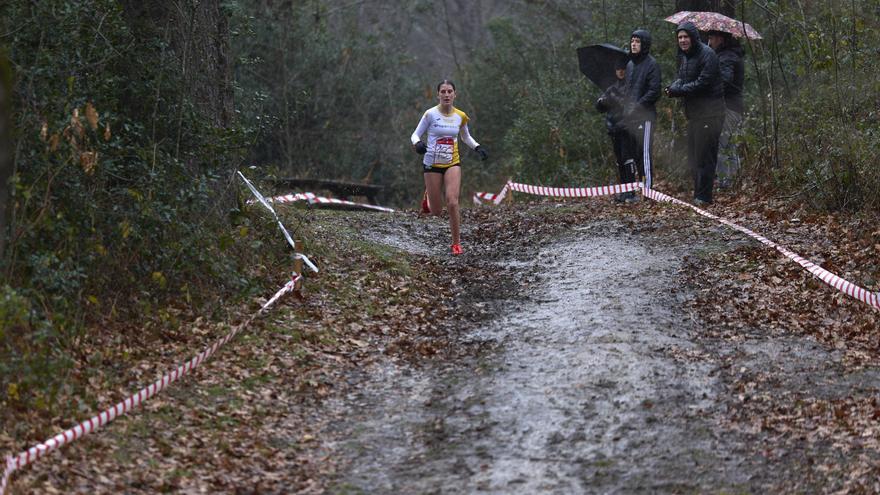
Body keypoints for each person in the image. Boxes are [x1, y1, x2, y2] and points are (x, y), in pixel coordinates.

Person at [411, 80, 487, 256]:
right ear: (438, 95)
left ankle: (456, 244)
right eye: (443, 91)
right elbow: (415, 134)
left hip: (452, 162)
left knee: (452, 202)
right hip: (432, 164)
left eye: (449, 91)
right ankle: (428, 197)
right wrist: (418, 144)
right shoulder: (430, 114)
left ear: (455, 94)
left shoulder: (460, 116)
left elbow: (465, 137)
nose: (446, 94)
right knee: (436, 212)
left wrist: (477, 147)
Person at [665, 21, 726, 205]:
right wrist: (672, 88)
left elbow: (702, 83)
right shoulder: (686, 57)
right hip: (694, 114)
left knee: (705, 157)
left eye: (686, 37)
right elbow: (682, 79)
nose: (682, 40)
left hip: (710, 113)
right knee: (693, 157)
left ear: (693, 37)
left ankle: (704, 197)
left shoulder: (708, 55)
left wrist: (679, 91)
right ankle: (698, 194)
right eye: (680, 37)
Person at [623, 29, 662, 198]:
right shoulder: (630, 65)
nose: (634, 44)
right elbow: (628, 90)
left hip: (645, 117)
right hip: (630, 118)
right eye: (632, 41)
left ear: (644, 44)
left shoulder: (652, 64)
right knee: (634, 155)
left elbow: (654, 91)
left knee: (644, 155)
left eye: (637, 41)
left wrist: (637, 106)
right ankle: (636, 189)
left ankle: (648, 192)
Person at [707, 30, 745, 189]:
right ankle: (733, 181)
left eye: (711, 38)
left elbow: (726, 80)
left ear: (720, 39)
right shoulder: (730, 55)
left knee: (721, 145)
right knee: (730, 145)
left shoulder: (727, 57)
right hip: (734, 107)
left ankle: (725, 183)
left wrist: (711, 89)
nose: (709, 42)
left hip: (728, 107)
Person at [594, 58, 631, 203]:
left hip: (627, 128)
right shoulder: (611, 88)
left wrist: (614, 98)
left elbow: (628, 104)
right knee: (619, 160)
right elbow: (600, 107)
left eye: (623, 69)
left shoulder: (631, 85)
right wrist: (601, 102)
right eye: (618, 69)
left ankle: (631, 191)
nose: (620, 71)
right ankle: (624, 191)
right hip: (614, 129)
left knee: (628, 159)